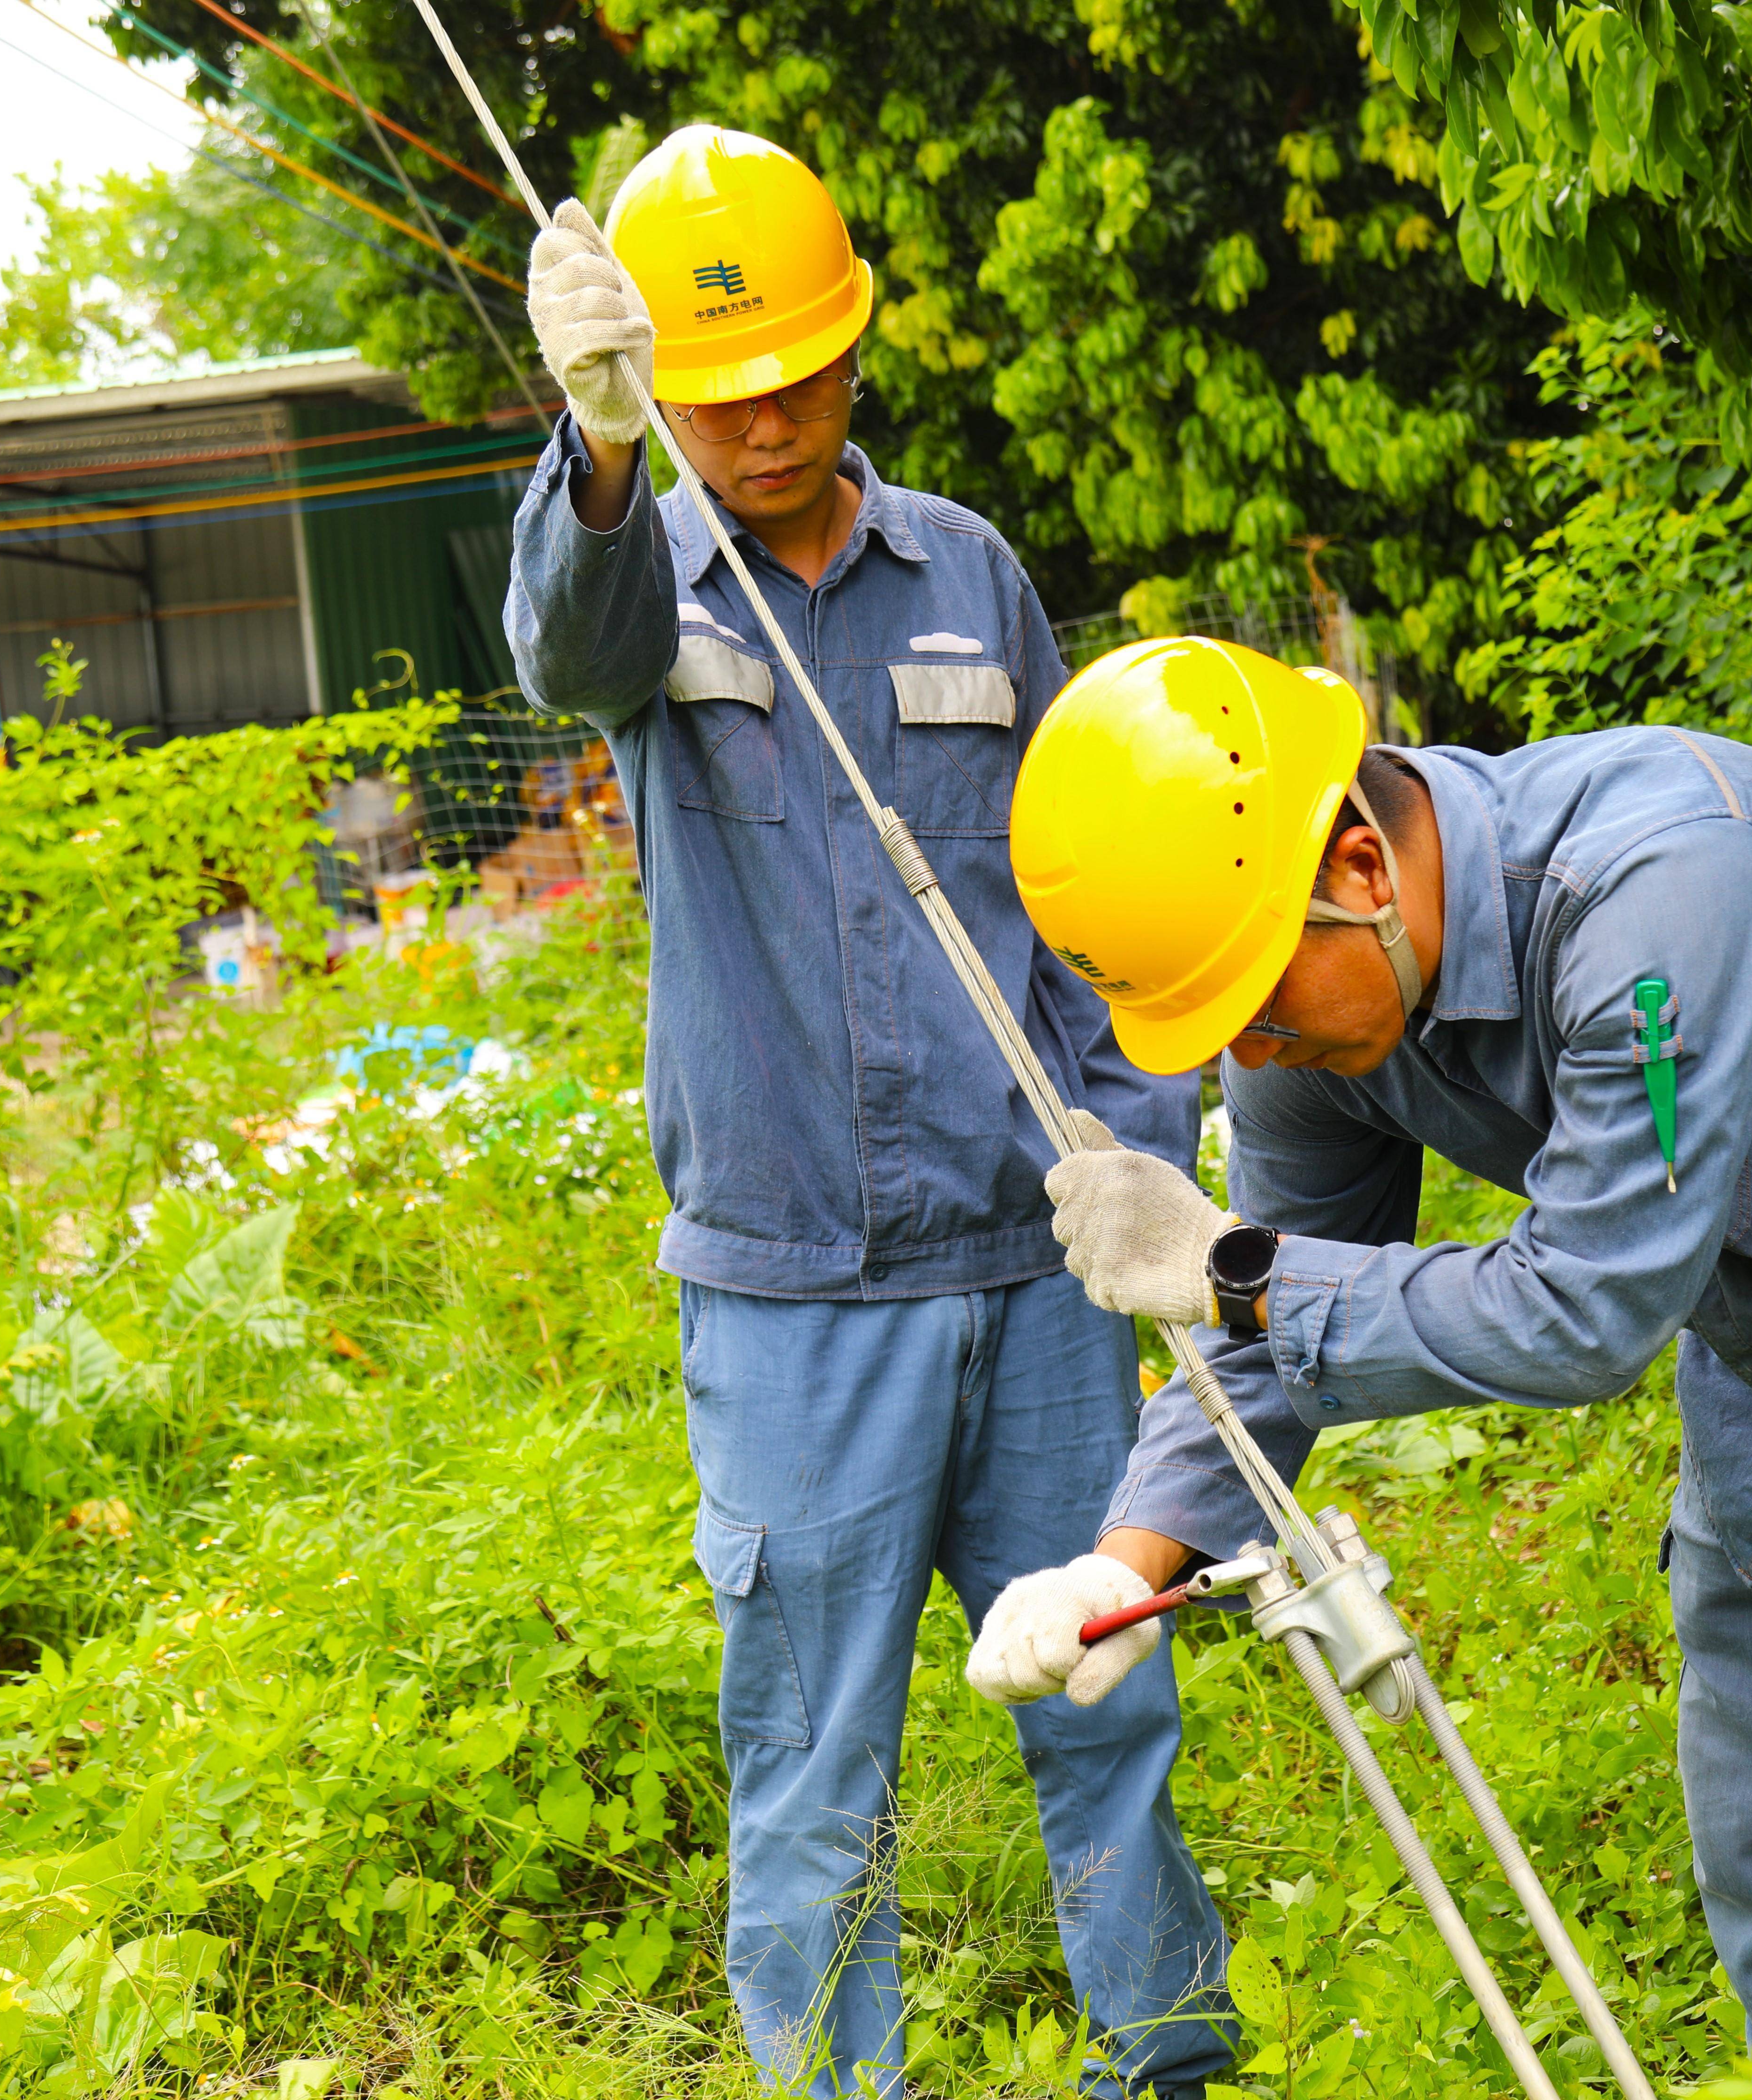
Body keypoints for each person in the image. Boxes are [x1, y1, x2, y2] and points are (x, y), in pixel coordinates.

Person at [966, 637, 1752, 2100]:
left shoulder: (1667, 888)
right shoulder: (1313, 1018)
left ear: (1357, 863)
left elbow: (1589, 1309)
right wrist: (1127, 1560)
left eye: (1257, 1001)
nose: (1254, 1051)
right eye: (1219, 1027)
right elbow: (1273, 1327)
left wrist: (1233, 1268)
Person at [507, 128, 1232, 2099]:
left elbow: (1081, 893)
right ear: (664, 386)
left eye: (801, 378)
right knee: (816, 1765)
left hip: (1029, 1269)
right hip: (792, 1293)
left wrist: (1140, 1155)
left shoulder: (971, 576)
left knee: (1106, 1696)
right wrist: (588, 454)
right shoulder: (644, 569)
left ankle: (1166, 2057)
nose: (766, 424)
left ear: (855, 352)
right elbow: (566, 653)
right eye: (720, 396)